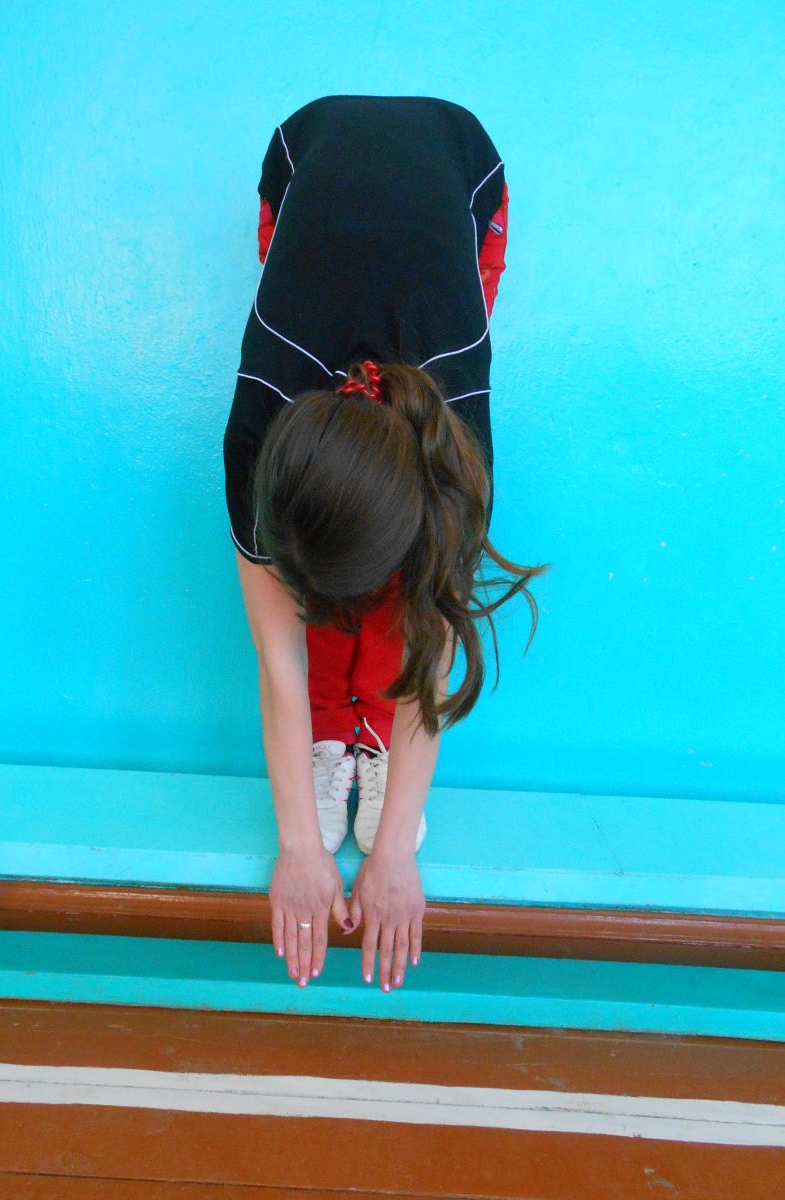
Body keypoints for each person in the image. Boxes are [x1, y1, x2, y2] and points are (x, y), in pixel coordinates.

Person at [223, 94, 550, 996]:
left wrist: (396, 846)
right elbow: (277, 659)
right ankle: (338, 734)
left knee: (401, 579)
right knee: (326, 575)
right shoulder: (255, 437)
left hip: (461, 166)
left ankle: (370, 732)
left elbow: (434, 643)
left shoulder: (458, 443)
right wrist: (299, 844)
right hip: (305, 151)